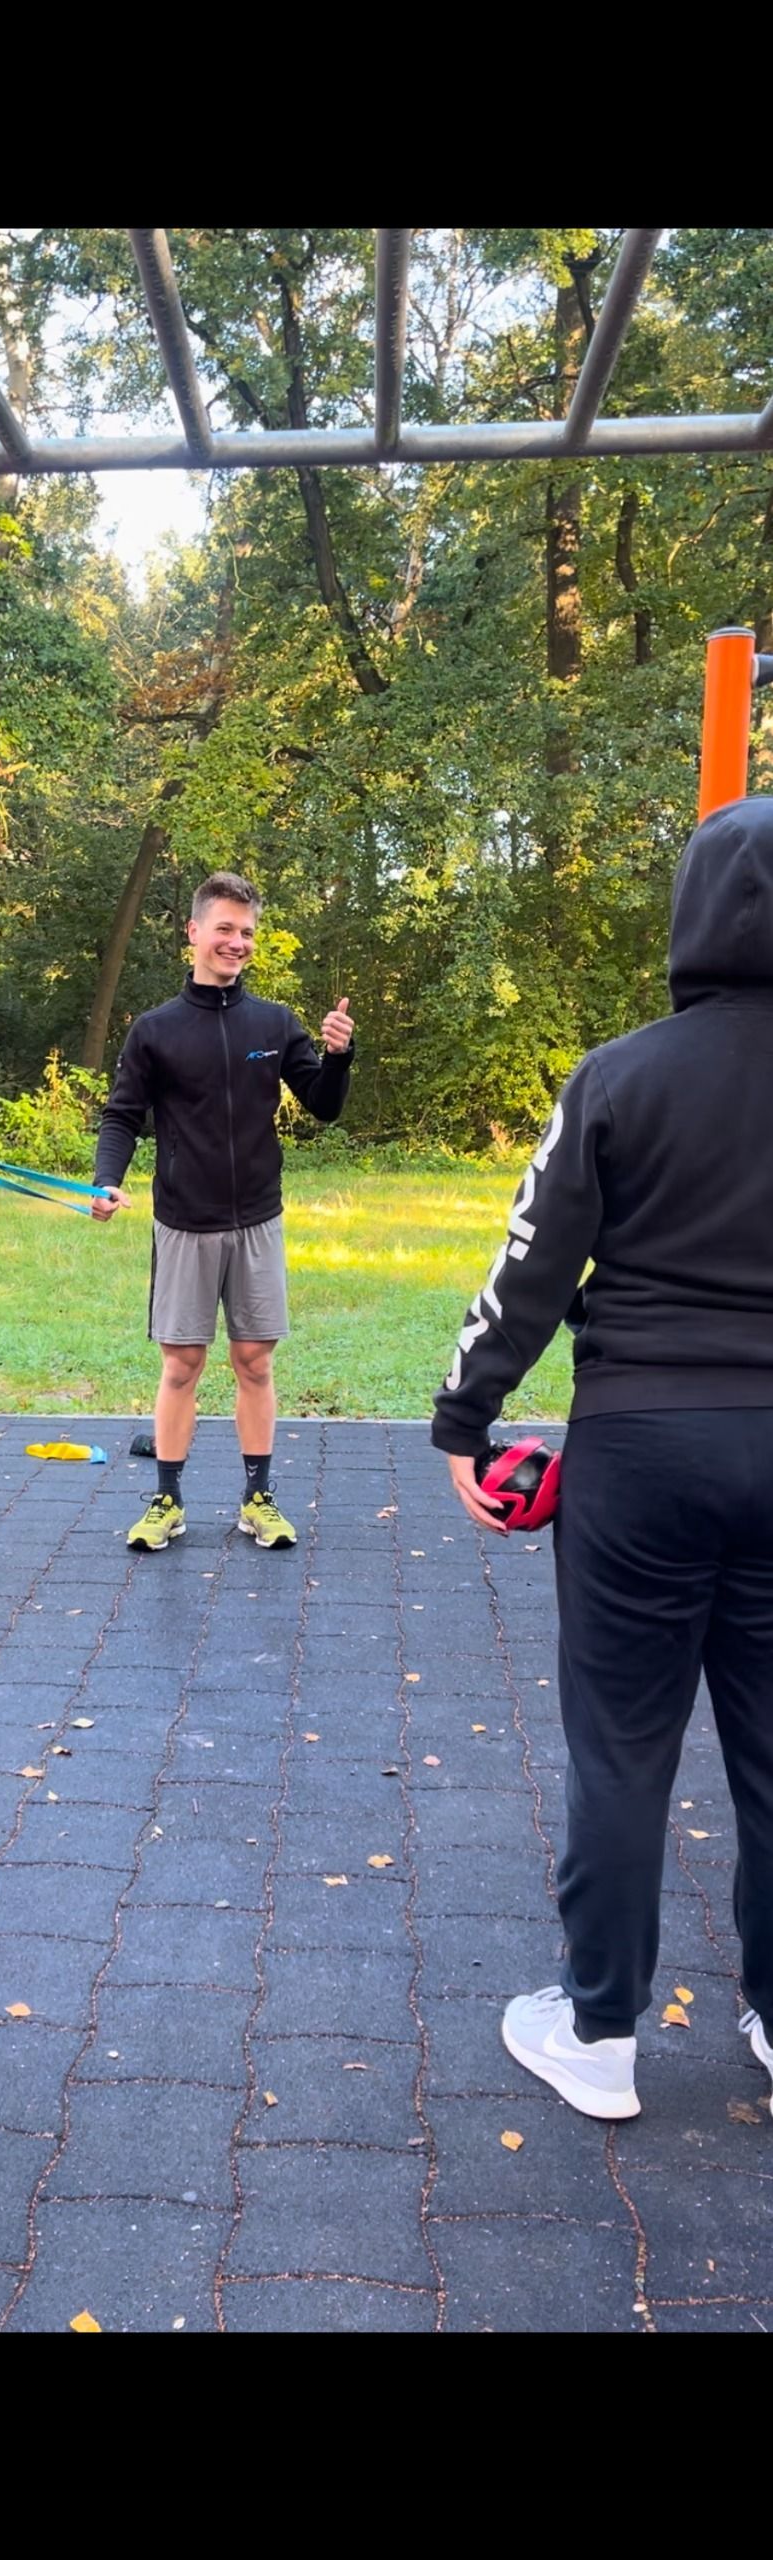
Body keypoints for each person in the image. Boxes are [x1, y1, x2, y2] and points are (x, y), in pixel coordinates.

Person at [432, 795, 773, 2122]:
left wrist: (463, 1418)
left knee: (621, 1747)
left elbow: (528, 1264)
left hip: (638, 1451)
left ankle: (598, 2035)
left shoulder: (620, 1075)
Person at [91, 871, 354, 1550]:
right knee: (181, 1364)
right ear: (194, 933)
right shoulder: (155, 1031)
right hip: (184, 1220)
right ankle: (167, 1502)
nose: (236, 943)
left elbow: (322, 1104)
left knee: (254, 1361)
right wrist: (105, 1181)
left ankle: (257, 1499)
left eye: (246, 933)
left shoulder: (273, 1023)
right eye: (225, 929)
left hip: (256, 1219)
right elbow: (122, 1115)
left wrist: (337, 1056)